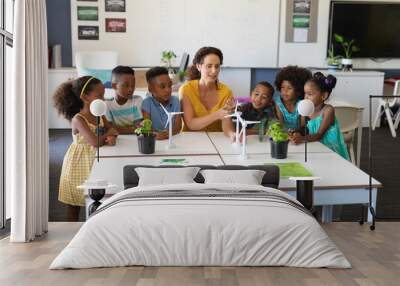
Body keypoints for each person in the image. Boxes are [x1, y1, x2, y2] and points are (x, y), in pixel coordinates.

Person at [53, 76, 118, 221]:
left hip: (93, 163)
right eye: (99, 95)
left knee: (96, 198)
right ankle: (71, 233)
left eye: (103, 95)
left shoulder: (100, 115)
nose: (103, 98)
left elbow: (111, 129)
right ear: (85, 97)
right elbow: (94, 141)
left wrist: (111, 136)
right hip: (77, 163)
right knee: (74, 204)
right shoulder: (78, 119)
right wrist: (108, 135)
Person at [289, 72, 350, 160]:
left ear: (324, 96)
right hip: (314, 146)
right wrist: (295, 132)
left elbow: (319, 135)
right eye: (305, 93)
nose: (306, 97)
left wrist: (301, 138)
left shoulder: (328, 110)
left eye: (310, 94)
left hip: (330, 150)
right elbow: (303, 128)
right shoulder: (305, 108)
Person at [179, 46, 236, 139]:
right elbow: (191, 124)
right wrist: (217, 115)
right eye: (209, 66)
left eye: (217, 66)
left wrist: (232, 134)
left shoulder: (226, 91)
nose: (214, 71)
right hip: (190, 140)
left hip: (217, 140)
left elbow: (227, 122)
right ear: (198, 66)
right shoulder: (186, 89)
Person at [141, 66, 182, 140]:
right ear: (150, 88)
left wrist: (167, 134)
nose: (168, 90)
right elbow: (147, 129)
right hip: (154, 141)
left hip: (173, 140)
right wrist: (155, 135)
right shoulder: (146, 103)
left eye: (170, 85)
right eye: (162, 87)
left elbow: (178, 127)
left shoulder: (175, 101)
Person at [105, 66, 143, 134]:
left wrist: (117, 129)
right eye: (126, 85)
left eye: (133, 85)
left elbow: (139, 127)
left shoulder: (137, 100)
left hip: (135, 138)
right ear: (114, 86)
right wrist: (133, 129)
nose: (131, 89)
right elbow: (109, 128)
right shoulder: (107, 104)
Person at [274, 65, 312, 130]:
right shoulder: (278, 103)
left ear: (298, 90)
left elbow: (303, 125)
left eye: (289, 88)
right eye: (283, 87)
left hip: (299, 134)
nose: (285, 91)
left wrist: (297, 134)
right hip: (284, 134)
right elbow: (280, 124)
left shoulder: (302, 103)